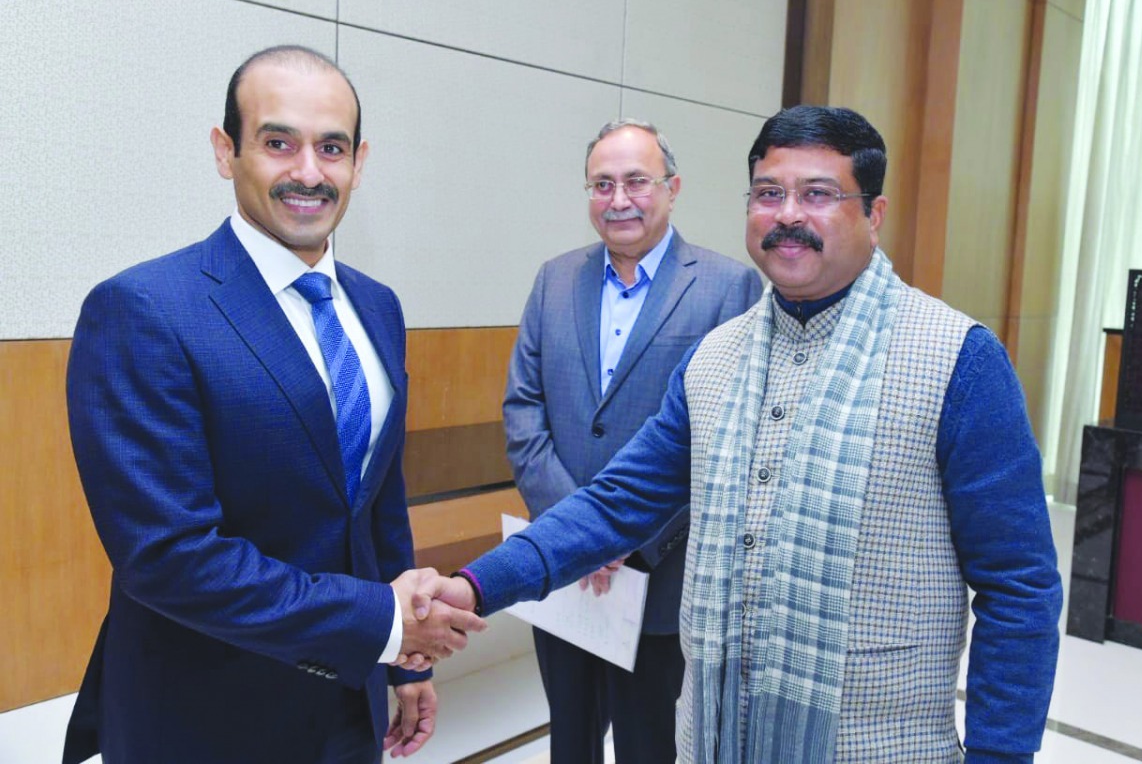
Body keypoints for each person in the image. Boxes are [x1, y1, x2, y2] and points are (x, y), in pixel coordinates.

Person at [433, 106, 1063, 763]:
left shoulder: (958, 359)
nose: (787, 214)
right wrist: (475, 586)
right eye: (768, 194)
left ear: (873, 215)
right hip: (716, 741)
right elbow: (616, 502)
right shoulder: (715, 359)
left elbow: (1019, 588)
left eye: (818, 194)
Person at [62, 45, 484, 764]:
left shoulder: (377, 308)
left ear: (360, 161)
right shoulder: (143, 311)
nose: (309, 173)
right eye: (278, 142)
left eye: (332, 148)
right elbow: (169, 557)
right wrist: (382, 622)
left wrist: (403, 662)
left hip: (348, 708)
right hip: (204, 717)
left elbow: (376, 505)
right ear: (226, 152)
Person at [505, 119, 760, 763]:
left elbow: (726, 441)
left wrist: (623, 536)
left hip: (660, 574)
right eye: (602, 183)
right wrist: (577, 533)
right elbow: (523, 410)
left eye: (637, 182)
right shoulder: (554, 279)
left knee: (649, 745)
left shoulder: (729, 288)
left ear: (671, 188)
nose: (619, 199)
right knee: (571, 739)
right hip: (565, 571)